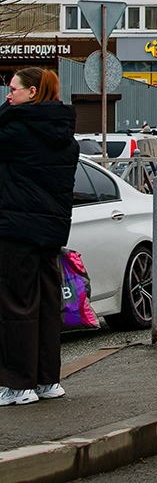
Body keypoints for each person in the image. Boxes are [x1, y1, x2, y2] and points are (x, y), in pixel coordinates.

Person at [0, 68, 77, 405]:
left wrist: (7, 113)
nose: (8, 95)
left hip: (15, 227)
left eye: (13, 90)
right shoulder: (64, 133)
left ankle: (16, 384)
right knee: (47, 306)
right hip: (51, 229)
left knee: (15, 306)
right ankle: (47, 380)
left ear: (32, 92)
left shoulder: (16, 129)